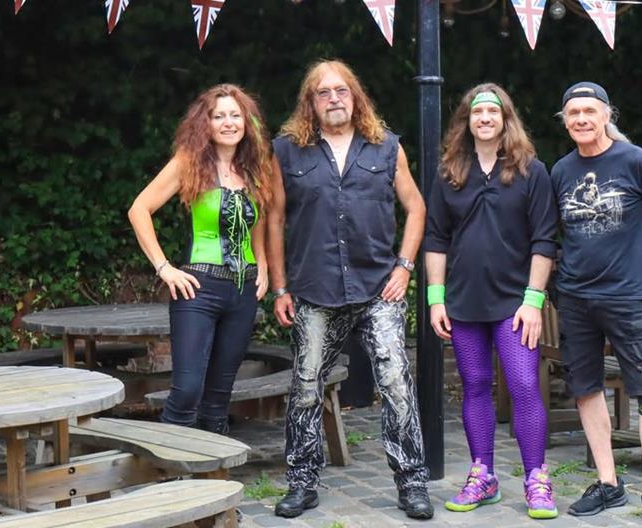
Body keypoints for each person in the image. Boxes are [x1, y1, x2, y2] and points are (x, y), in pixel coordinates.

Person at [266, 59, 433, 520]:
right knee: (304, 386)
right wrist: (280, 287)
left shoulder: (386, 147)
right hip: (314, 289)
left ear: (355, 97)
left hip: (379, 286)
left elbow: (416, 208)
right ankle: (301, 482)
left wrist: (404, 266)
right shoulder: (287, 151)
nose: (334, 98)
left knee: (397, 382)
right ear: (311, 102)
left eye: (342, 90)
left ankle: (412, 483)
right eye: (324, 92)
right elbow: (275, 219)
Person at [424, 83, 560, 519]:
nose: (485, 119)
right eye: (477, 112)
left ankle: (536, 477)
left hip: (515, 304)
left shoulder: (530, 171)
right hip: (463, 303)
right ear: (467, 121)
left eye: (493, 112)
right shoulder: (449, 173)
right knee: (475, 385)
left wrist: (534, 301)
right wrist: (435, 298)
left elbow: (544, 239)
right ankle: (483, 475)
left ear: (505, 120)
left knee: (522, 385)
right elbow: (435, 238)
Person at [550, 81, 642, 526]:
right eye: (573, 113)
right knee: (585, 386)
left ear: (607, 115)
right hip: (576, 297)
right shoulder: (560, 171)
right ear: (565, 122)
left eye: (589, 111)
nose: (581, 119)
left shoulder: (638, 161)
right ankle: (608, 482)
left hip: (626, 295)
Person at [128, 84, 274, 434]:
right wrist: (164, 268)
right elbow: (139, 210)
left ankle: (212, 475)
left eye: (235, 115)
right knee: (188, 389)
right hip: (198, 290)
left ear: (247, 122)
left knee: (219, 395)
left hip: (242, 293)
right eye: (219, 116)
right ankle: (171, 470)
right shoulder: (188, 163)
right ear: (205, 123)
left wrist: (264, 264)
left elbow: (259, 220)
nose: (228, 122)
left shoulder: (255, 169)